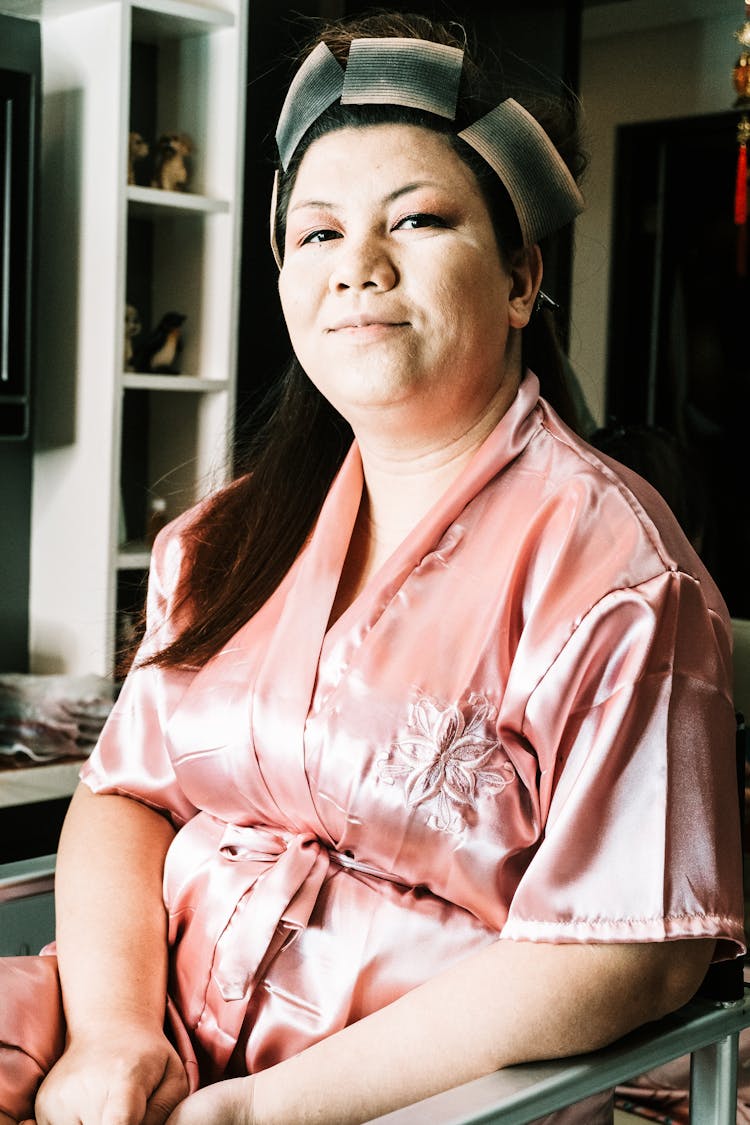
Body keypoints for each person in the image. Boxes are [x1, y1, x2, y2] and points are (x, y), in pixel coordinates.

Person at [0, 11, 744, 1125]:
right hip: (144, 1030)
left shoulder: (618, 578)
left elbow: (631, 954)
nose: (359, 268)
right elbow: (124, 792)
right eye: (316, 235)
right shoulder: (220, 541)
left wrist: (261, 1110)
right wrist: (111, 1036)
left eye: (420, 219)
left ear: (520, 279)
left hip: (411, 1097)